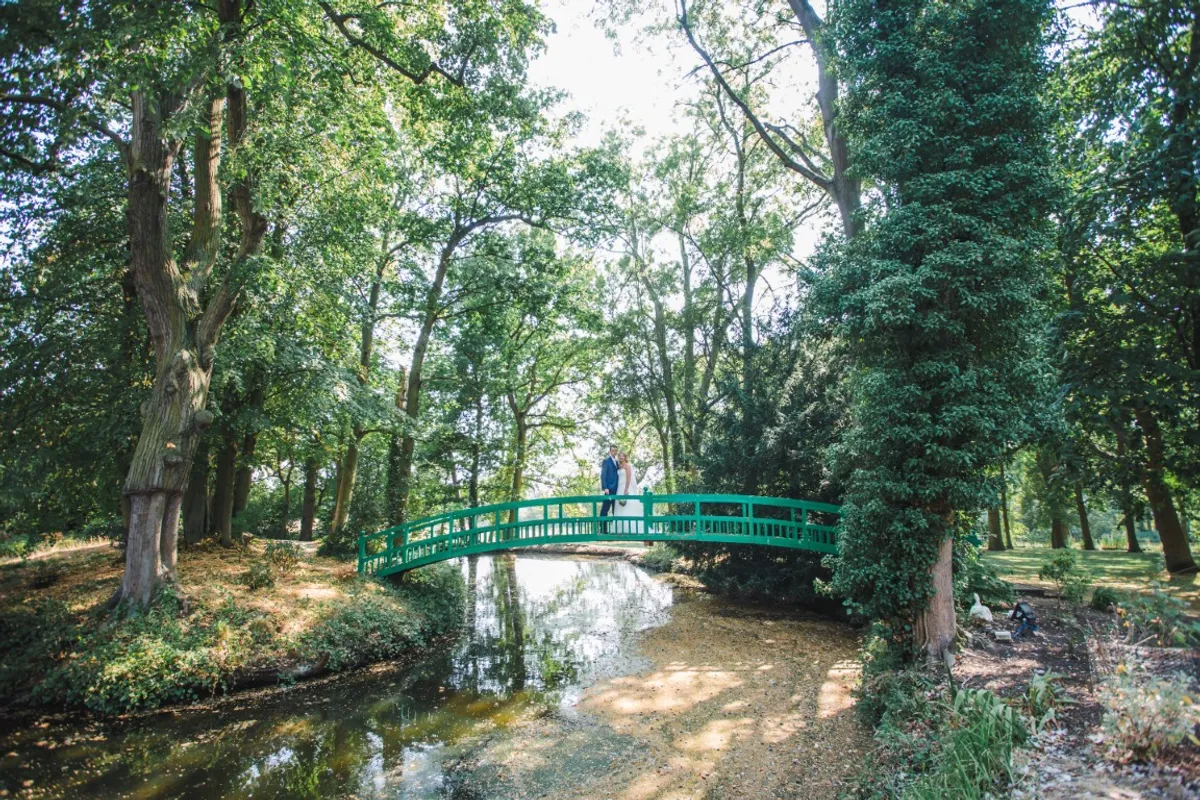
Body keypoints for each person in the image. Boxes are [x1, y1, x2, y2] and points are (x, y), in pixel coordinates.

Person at [614, 452, 645, 536]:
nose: (620, 457)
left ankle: (630, 527)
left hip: (625, 487)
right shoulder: (619, 467)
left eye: (622, 456)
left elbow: (628, 478)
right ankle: (620, 528)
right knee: (619, 506)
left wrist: (626, 489)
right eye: (619, 456)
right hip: (619, 488)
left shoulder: (628, 466)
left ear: (625, 457)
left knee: (628, 506)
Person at [599, 445, 619, 533]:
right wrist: (605, 487)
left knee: (616, 510)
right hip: (609, 490)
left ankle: (616, 529)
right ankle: (603, 529)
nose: (614, 452)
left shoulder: (617, 462)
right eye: (613, 450)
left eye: (615, 451)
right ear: (610, 451)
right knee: (605, 510)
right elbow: (603, 475)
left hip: (617, 490)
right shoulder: (606, 461)